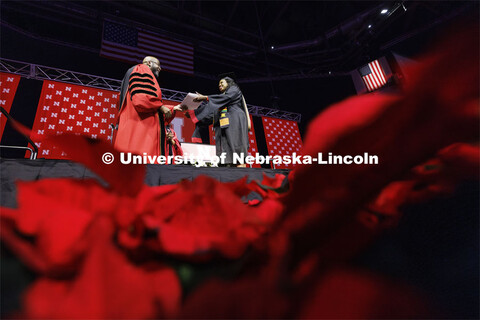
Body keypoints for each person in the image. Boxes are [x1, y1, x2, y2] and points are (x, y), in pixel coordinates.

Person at [113, 56, 184, 156]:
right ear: (149, 63)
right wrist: (160, 107)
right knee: (144, 164)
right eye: (158, 65)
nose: (160, 68)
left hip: (132, 125)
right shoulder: (141, 69)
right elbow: (141, 99)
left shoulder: (131, 75)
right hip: (141, 129)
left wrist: (173, 108)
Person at [192, 77, 250, 166]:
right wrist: (194, 114)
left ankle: (242, 176)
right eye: (218, 84)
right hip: (225, 129)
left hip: (235, 123)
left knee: (238, 153)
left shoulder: (234, 89)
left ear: (229, 83)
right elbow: (212, 115)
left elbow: (225, 97)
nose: (219, 85)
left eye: (222, 82)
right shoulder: (222, 103)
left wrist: (205, 97)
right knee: (227, 155)